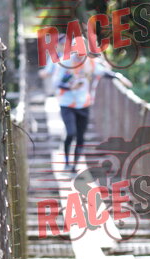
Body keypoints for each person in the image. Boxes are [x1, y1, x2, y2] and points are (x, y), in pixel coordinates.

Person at [51, 40, 133, 172]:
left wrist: (119, 77)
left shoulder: (90, 63)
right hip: (67, 103)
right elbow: (55, 83)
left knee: (80, 136)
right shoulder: (64, 63)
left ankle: (74, 165)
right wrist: (70, 87)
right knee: (71, 132)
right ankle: (66, 162)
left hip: (83, 104)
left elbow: (103, 72)